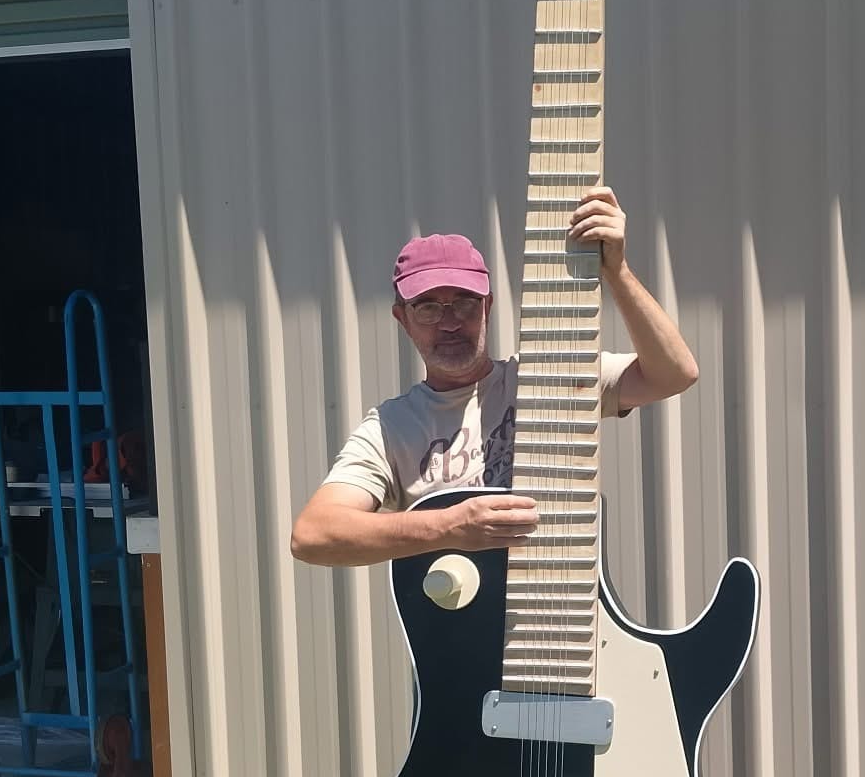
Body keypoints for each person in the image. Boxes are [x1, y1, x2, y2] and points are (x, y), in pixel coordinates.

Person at [289, 186, 698, 568]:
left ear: (487, 306)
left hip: (567, 620)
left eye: (463, 302)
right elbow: (312, 534)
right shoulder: (390, 428)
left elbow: (674, 374)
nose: (449, 322)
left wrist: (617, 271)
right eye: (428, 307)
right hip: (461, 637)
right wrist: (450, 526)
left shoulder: (547, 377)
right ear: (403, 319)